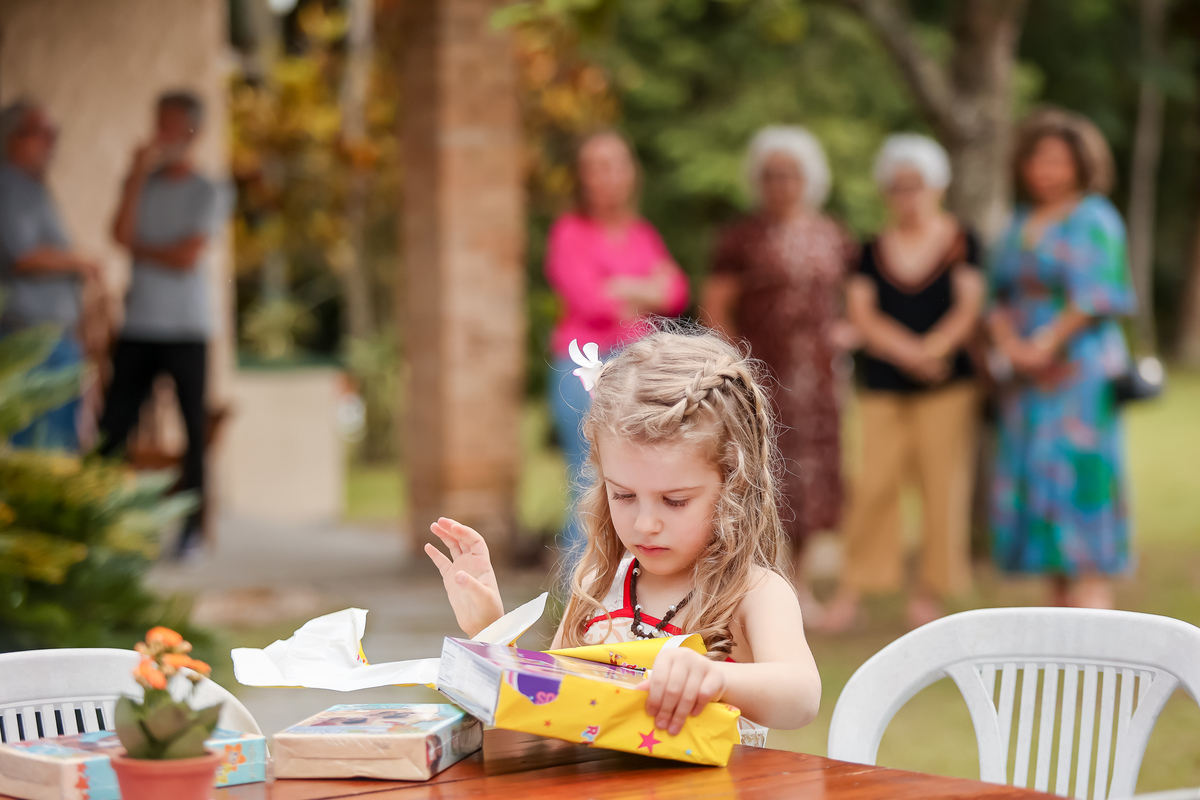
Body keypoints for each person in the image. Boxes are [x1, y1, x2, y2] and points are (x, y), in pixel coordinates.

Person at [426, 327, 821, 740]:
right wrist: (491, 630)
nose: (645, 523)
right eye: (624, 495)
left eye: (675, 500)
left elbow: (802, 695)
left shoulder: (752, 593)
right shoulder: (600, 587)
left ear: (733, 487)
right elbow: (550, 715)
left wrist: (715, 679)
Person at [821, 134, 985, 633]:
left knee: (942, 486)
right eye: (898, 187)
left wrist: (934, 349)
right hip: (884, 386)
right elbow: (861, 314)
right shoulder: (869, 250)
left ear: (936, 187)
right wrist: (909, 352)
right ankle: (855, 587)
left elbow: (969, 306)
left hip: (948, 385)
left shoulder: (962, 239)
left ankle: (929, 590)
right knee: (873, 485)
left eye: (917, 185)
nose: (908, 196)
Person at [701, 126, 856, 610]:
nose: (781, 184)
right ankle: (774, 576)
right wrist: (732, 359)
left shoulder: (833, 234)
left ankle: (805, 578)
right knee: (766, 467)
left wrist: (848, 333)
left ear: (810, 178)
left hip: (819, 376)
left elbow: (856, 299)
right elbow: (715, 303)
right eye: (771, 175)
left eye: (791, 174)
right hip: (762, 371)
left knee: (815, 472)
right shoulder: (741, 238)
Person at [987, 109, 1135, 610]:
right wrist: (1012, 346)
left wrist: (1044, 342)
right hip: (1027, 381)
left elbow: (1097, 296)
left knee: (1081, 483)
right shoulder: (1021, 221)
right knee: (1036, 484)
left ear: (1081, 164)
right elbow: (997, 295)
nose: (1045, 170)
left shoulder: (1096, 217)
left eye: (1058, 160)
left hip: (1079, 377)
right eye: (1037, 159)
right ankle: (1058, 616)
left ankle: (1096, 615)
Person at [545, 130, 690, 558]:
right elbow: (589, 301)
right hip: (584, 368)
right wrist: (646, 289)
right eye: (596, 167)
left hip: (637, 370)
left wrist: (621, 287)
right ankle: (582, 600)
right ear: (581, 178)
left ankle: (630, 598)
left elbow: (677, 293)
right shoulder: (570, 233)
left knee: (638, 482)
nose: (608, 176)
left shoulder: (641, 234)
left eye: (616, 164)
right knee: (590, 483)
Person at [98, 90, 228, 557]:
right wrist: (134, 176)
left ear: (191, 131)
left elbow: (186, 255)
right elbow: (119, 234)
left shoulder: (209, 190)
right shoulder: (143, 183)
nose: (161, 135)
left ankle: (191, 532)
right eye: (158, 124)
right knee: (112, 428)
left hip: (187, 329)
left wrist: (142, 247)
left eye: (170, 125)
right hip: (139, 326)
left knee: (194, 433)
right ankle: (99, 524)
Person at [0, 100, 103, 450]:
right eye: (40, 133)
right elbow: (24, 255)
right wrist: (81, 262)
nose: (51, 141)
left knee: (60, 441)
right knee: (39, 446)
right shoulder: (9, 184)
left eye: (53, 133)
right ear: (11, 138)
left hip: (53, 337)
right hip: (30, 337)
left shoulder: (33, 186)